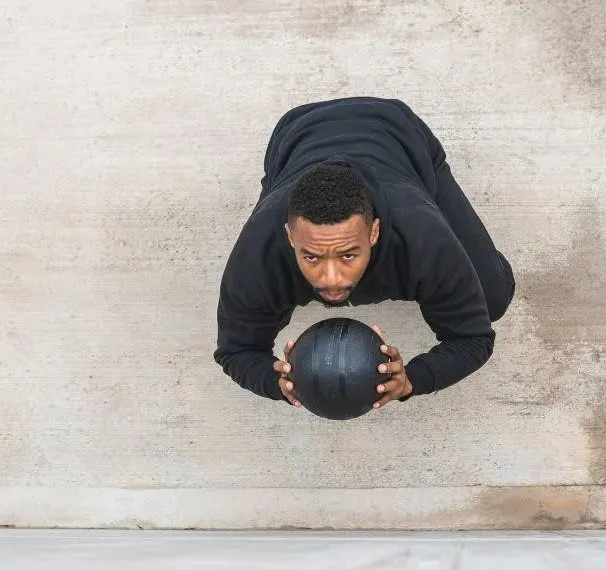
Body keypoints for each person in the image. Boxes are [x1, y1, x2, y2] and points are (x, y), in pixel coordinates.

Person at [213, 96, 515, 410]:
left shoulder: (422, 238)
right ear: (289, 237)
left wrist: (414, 379)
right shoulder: (260, 250)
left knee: (491, 297)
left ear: (374, 233)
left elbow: (473, 338)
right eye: (312, 257)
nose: (331, 279)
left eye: (347, 255)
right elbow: (235, 350)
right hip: (297, 135)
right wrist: (272, 380)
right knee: (264, 282)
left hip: (397, 133)